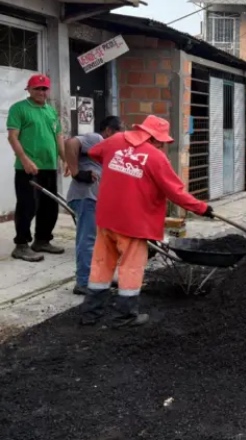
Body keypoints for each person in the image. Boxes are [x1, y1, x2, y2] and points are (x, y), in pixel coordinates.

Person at [80, 115, 212, 328]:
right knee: (131, 268)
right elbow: (175, 192)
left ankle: (91, 313)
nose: (162, 145)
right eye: (161, 141)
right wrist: (202, 208)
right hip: (134, 223)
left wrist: (120, 167)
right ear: (153, 137)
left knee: (101, 265)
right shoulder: (156, 158)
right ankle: (125, 315)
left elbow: (95, 153)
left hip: (106, 217)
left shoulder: (114, 141)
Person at [7, 74, 67, 262]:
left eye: (44, 89)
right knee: (27, 206)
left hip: (49, 166)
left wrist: (66, 160)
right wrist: (24, 159)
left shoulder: (50, 110)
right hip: (28, 169)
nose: (41, 92)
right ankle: (21, 245)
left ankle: (42, 240)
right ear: (29, 90)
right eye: (37, 88)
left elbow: (59, 138)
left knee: (49, 207)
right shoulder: (19, 109)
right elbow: (12, 137)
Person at [65, 116, 124, 296]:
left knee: (103, 241)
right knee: (87, 240)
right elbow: (70, 143)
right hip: (85, 198)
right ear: (108, 131)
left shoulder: (109, 150)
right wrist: (76, 172)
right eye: (119, 133)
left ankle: (100, 277)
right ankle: (83, 282)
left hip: (96, 200)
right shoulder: (96, 139)